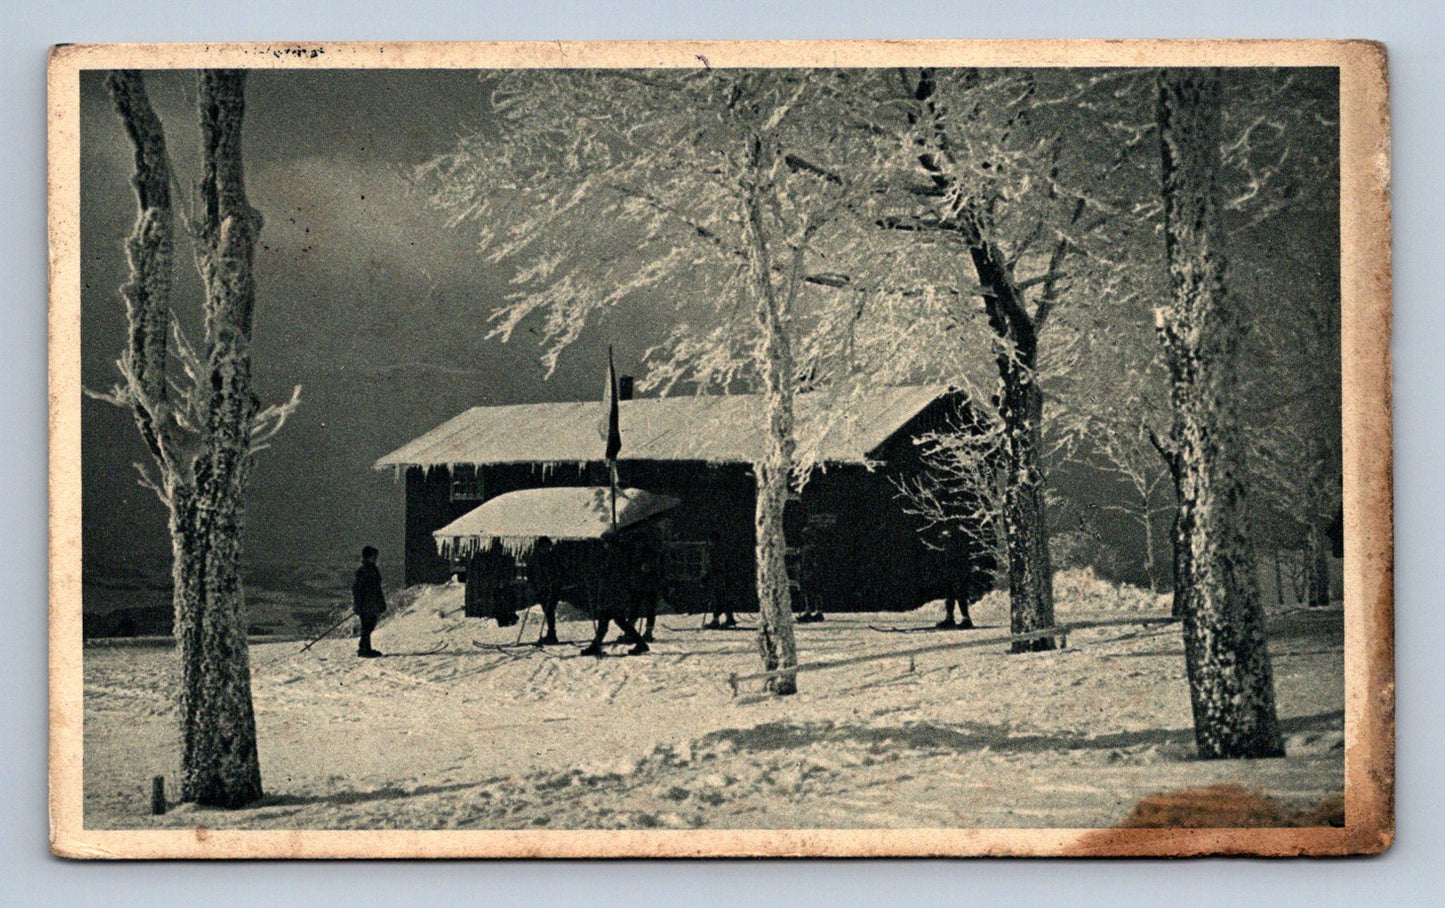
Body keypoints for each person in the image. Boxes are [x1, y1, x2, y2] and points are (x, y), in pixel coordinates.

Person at [580, 539, 649, 657]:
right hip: (612, 594)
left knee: (616, 621)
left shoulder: (615, 558)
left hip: (613, 595)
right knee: (607, 622)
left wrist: (596, 573)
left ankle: (640, 643)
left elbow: (610, 575)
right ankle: (595, 646)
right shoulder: (613, 556)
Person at [352, 545, 387, 657]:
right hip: (367, 603)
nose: (376, 558)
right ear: (370, 556)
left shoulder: (369, 569)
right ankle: (364, 649)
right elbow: (357, 588)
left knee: (368, 625)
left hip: (370, 603)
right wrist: (358, 604)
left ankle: (364, 648)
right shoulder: (365, 570)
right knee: (368, 626)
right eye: (375, 556)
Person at [528, 536, 563, 645]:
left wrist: (554, 583)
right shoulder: (536, 558)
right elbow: (531, 573)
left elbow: (558, 573)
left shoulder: (552, 558)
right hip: (542, 589)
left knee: (549, 611)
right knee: (547, 611)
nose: (546, 549)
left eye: (547, 547)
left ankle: (552, 635)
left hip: (552, 590)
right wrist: (533, 585)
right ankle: (551, 634)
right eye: (544, 547)